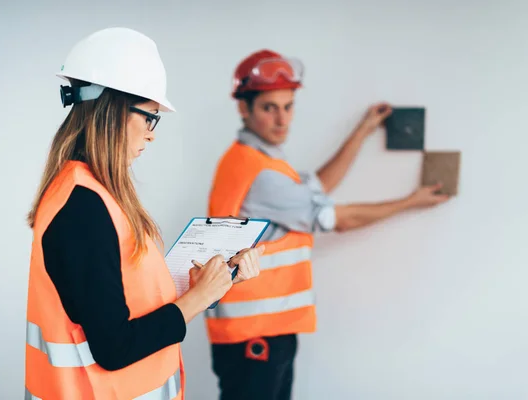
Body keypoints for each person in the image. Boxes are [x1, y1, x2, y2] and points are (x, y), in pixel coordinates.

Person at [24, 27, 264, 400]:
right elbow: (114, 347)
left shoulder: (98, 193)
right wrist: (197, 300)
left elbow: (127, 298)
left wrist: (213, 282)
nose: (152, 134)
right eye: (149, 117)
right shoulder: (82, 209)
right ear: (114, 108)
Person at [206, 49, 449, 400]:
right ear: (244, 109)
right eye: (269, 107)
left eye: (288, 106)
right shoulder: (260, 174)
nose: (282, 119)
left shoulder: (260, 163)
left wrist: (363, 130)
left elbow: (317, 186)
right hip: (254, 333)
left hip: (264, 329)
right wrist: (410, 202)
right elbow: (339, 219)